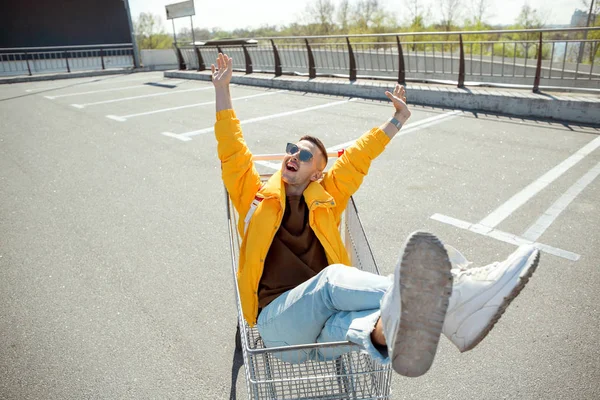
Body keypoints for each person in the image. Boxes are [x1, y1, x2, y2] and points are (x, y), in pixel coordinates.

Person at [211, 53, 540, 377]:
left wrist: (398, 120)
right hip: (278, 322)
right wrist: (222, 89)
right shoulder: (254, 197)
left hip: (324, 328)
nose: (294, 154)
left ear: (316, 174)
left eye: (306, 153)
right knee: (332, 279)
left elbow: (357, 157)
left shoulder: (326, 199)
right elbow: (232, 152)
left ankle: (394, 329)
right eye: (292, 148)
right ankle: (452, 293)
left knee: (370, 320)